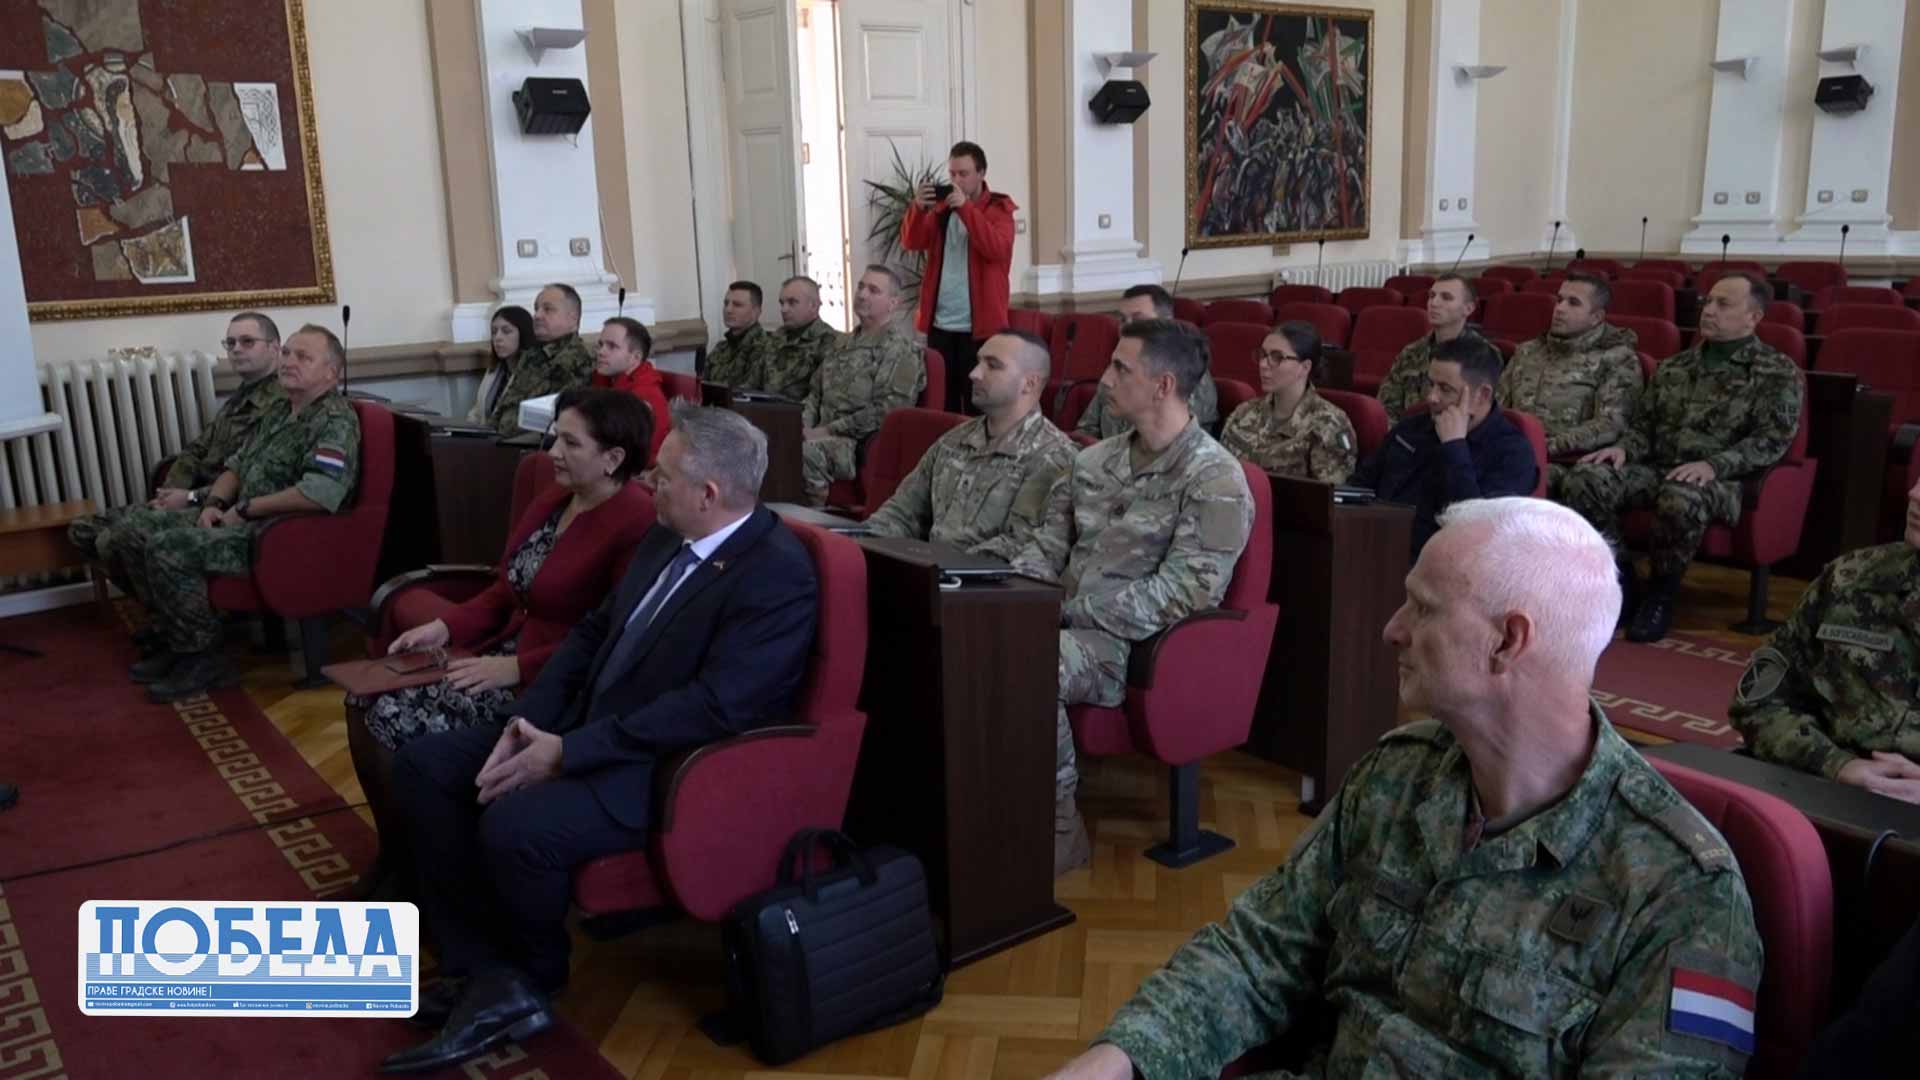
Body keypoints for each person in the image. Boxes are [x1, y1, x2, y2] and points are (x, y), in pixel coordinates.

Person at [1046, 498, 1762, 1080]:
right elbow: (1258, 952)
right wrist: (1120, 1059)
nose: (1392, 629)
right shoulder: (1397, 774)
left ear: (1508, 642)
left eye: (1422, 608)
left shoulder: (1679, 892)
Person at [381, 405, 817, 1074]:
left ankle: (529, 981)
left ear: (709, 494)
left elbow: (713, 707)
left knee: (514, 825)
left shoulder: (776, 573)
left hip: (661, 765)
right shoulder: (668, 534)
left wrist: (568, 753)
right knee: (425, 767)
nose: (647, 483)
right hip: (581, 723)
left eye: (662, 475)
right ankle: (476, 966)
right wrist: (526, 725)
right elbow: (591, 634)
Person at [345, 388, 656, 899]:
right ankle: (400, 854)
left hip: (551, 683)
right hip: (501, 651)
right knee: (363, 697)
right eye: (555, 436)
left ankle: (427, 865)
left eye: (570, 443)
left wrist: (516, 669)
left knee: (393, 716)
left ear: (613, 458)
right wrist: (446, 627)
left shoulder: (637, 521)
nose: (552, 451)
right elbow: (504, 588)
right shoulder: (555, 498)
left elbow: (611, 637)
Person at [1012, 319, 1254, 875]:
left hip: (1135, 646)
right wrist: (1013, 602)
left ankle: (1059, 829)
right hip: (1060, 621)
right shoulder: (1092, 461)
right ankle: (992, 804)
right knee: (979, 642)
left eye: (1121, 368)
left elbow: (1184, 593)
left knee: (1029, 663)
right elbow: (1047, 546)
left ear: (1163, 385)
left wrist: (1064, 612)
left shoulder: (1214, 478)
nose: (1104, 379)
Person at [117, 326, 362, 702]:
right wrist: (213, 504)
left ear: (331, 372)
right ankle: (176, 638)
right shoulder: (279, 409)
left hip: (275, 534)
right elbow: (237, 465)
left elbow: (319, 493)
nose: (289, 362)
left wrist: (246, 510)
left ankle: (203, 657)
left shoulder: (335, 421)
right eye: (287, 353)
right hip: (238, 515)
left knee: (169, 547)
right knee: (135, 529)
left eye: (303, 357)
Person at [1559, 271, 1802, 643]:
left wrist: (1713, 465)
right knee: (1585, 478)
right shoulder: (1676, 367)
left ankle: (1660, 595)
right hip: (1658, 469)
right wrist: (1624, 448)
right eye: (1708, 301)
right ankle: (1621, 580)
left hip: (1721, 480)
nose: (1709, 310)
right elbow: (1644, 426)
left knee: (1681, 495)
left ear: (1753, 317)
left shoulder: (1776, 371)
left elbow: (1772, 440)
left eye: (1724, 304)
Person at [69, 312, 285, 611]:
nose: (236, 349)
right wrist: (169, 494)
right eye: (230, 342)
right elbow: (196, 450)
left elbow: (252, 475)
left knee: (118, 538)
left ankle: (176, 622)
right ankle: (164, 612)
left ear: (274, 347)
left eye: (247, 341)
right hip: (192, 497)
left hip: (222, 504)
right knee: (83, 530)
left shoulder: (281, 401)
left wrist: (192, 497)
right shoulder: (242, 395)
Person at [1727, 476, 1920, 802]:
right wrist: (1835, 763)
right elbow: (1757, 703)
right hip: (1829, 792)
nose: (1915, 494)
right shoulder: (1849, 580)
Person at [864, 328, 1075, 558]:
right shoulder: (954, 440)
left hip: (981, 578)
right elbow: (902, 512)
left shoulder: (1054, 458)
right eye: (978, 362)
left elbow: (1022, 549)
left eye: (992, 365)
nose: (974, 373)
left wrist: (941, 567)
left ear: (1030, 383)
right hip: (927, 568)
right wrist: (861, 543)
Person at [1351, 335, 1537, 559]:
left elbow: (1476, 530)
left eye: (1445, 389)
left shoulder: (1512, 453)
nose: (1432, 397)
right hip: (1375, 546)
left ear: (1482, 395)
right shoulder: (1412, 428)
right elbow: (1359, 486)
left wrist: (1454, 448)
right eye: (1431, 384)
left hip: (1445, 566)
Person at [1495, 272, 1642, 494]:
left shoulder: (1617, 358)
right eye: (1559, 300)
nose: (1560, 308)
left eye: (1573, 303)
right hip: (1511, 450)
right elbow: (1498, 406)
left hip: (1567, 462)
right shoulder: (1527, 351)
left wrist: (1543, 446)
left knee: (1509, 480)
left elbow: (1611, 424)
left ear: (1596, 317)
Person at [903, 140, 1017, 414]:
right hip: (941, 325)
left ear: (981, 173)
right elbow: (912, 241)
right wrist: (918, 208)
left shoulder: (999, 209)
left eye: (963, 174)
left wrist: (966, 209)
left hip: (981, 329)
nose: (956, 180)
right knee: (945, 404)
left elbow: (996, 249)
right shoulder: (942, 210)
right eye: (952, 173)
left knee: (979, 401)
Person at [800, 265, 926, 505]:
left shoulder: (900, 349)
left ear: (893, 303)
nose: (862, 294)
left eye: (873, 290)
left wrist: (827, 431)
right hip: (818, 433)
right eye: (860, 287)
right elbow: (815, 392)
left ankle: (818, 518)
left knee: (801, 453)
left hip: (858, 444)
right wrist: (802, 426)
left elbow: (888, 410)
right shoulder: (841, 342)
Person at [1218, 320, 1357, 484]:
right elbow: (1218, 470)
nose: (1263, 364)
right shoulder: (1243, 412)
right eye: (1263, 355)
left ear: (1305, 367)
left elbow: (1325, 495)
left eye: (1277, 357)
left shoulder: (1329, 424)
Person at [1076, 284, 1219, 438]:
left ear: (1166, 322)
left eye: (1138, 319)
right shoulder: (1117, 366)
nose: (1126, 327)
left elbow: (1173, 439)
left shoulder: (1188, 372)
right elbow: (1087, 429)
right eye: (1123, 320)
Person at [1376, 274, 1489, 424]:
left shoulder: (1483, 355)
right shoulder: (1411, 352)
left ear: (1468, 308)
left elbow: (1485, 415)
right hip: (1409, 433)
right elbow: (1386, 406)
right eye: (1431, 296)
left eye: (1446, 297)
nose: (1434, 303)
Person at [486, 283, 595, 434]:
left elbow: (551, 426)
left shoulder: (575, 362)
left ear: (573, 318)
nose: (537, 315)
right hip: (496, 439)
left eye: (548, 309)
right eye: (536, 309)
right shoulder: (533, 353)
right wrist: (486, 435)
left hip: (525, 444)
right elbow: (506, 405)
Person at [591, 316, 671, 464]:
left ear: (635, 358)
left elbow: (639, 456)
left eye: (612, 346)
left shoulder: (645, 396)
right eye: (600, 344)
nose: (601, 352)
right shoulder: (605, 380)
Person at [765, 275, 842, 401]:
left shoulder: (830, 342)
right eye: (782, 303)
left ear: (813, 306)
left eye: (792, 302)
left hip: (800, 411)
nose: (784, 309)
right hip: (763, 408)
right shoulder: (776, 338)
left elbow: (825, 398)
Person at [466, 305, 536, 425]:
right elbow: (478, 411)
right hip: (483, 434)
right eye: (494, 332)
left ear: (524, 334)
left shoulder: (533, 374)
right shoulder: (494, 370)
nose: (497, 338)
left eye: (506, 331)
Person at [702, 281, 775, 391]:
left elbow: (748, 394)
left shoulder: (766, 349)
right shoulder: (721, 348)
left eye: (737, 305)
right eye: (726, 303)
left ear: (756, 312)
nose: (728, 310)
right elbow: (702, 386)